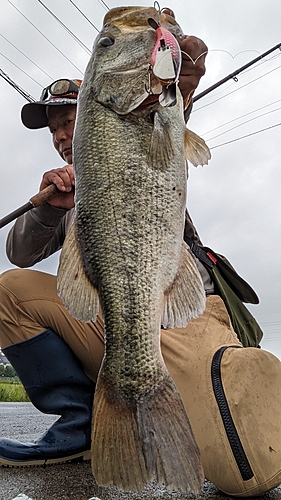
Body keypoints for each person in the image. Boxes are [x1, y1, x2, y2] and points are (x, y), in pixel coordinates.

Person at [0, 11, 280, 498]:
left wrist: (181, 73)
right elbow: (20, 253)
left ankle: (206, 384)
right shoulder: (75, 190)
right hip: (117, 321)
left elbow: (174, 99)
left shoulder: (149, 119)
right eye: (55, 131)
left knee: (246, 470)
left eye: (69, 121)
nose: (63, 136)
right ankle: (81, 425)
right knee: (8, 291)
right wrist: (48, 210)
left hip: (183, 315)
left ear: (92, 110)